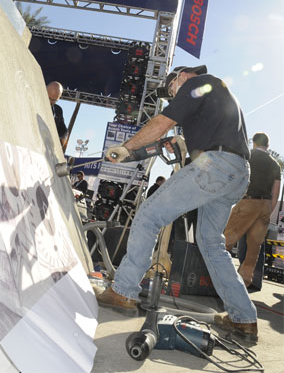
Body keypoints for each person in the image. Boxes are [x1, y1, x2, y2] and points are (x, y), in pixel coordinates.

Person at [97, 65, 258, 342]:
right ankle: (243, 318)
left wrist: (127, 148)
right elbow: (206, 146)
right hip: (237, 171)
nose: (173, 96)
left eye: (172, 90)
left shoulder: (200, 83)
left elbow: (162, 122)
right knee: (211, 243)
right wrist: (185, 147)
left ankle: (123, 291)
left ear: (181, 78)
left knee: (149, 214)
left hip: (216, 165)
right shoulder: (218, 95)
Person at [224, 132, 281, 288]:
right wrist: (268, 210)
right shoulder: (275, 164)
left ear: (254, 143)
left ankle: (214, 277)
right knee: (253, 251)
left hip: (248, 201)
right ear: (267, 146)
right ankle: (244, 283)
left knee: (225, 241)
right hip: (265, 206)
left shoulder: (248, 157)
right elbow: (275, 192)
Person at [46, 81, 68, 147]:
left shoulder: (58, 110)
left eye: (54, 100)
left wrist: (59, 141)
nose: (50, 102)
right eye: (49, 98)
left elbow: (64, 131)